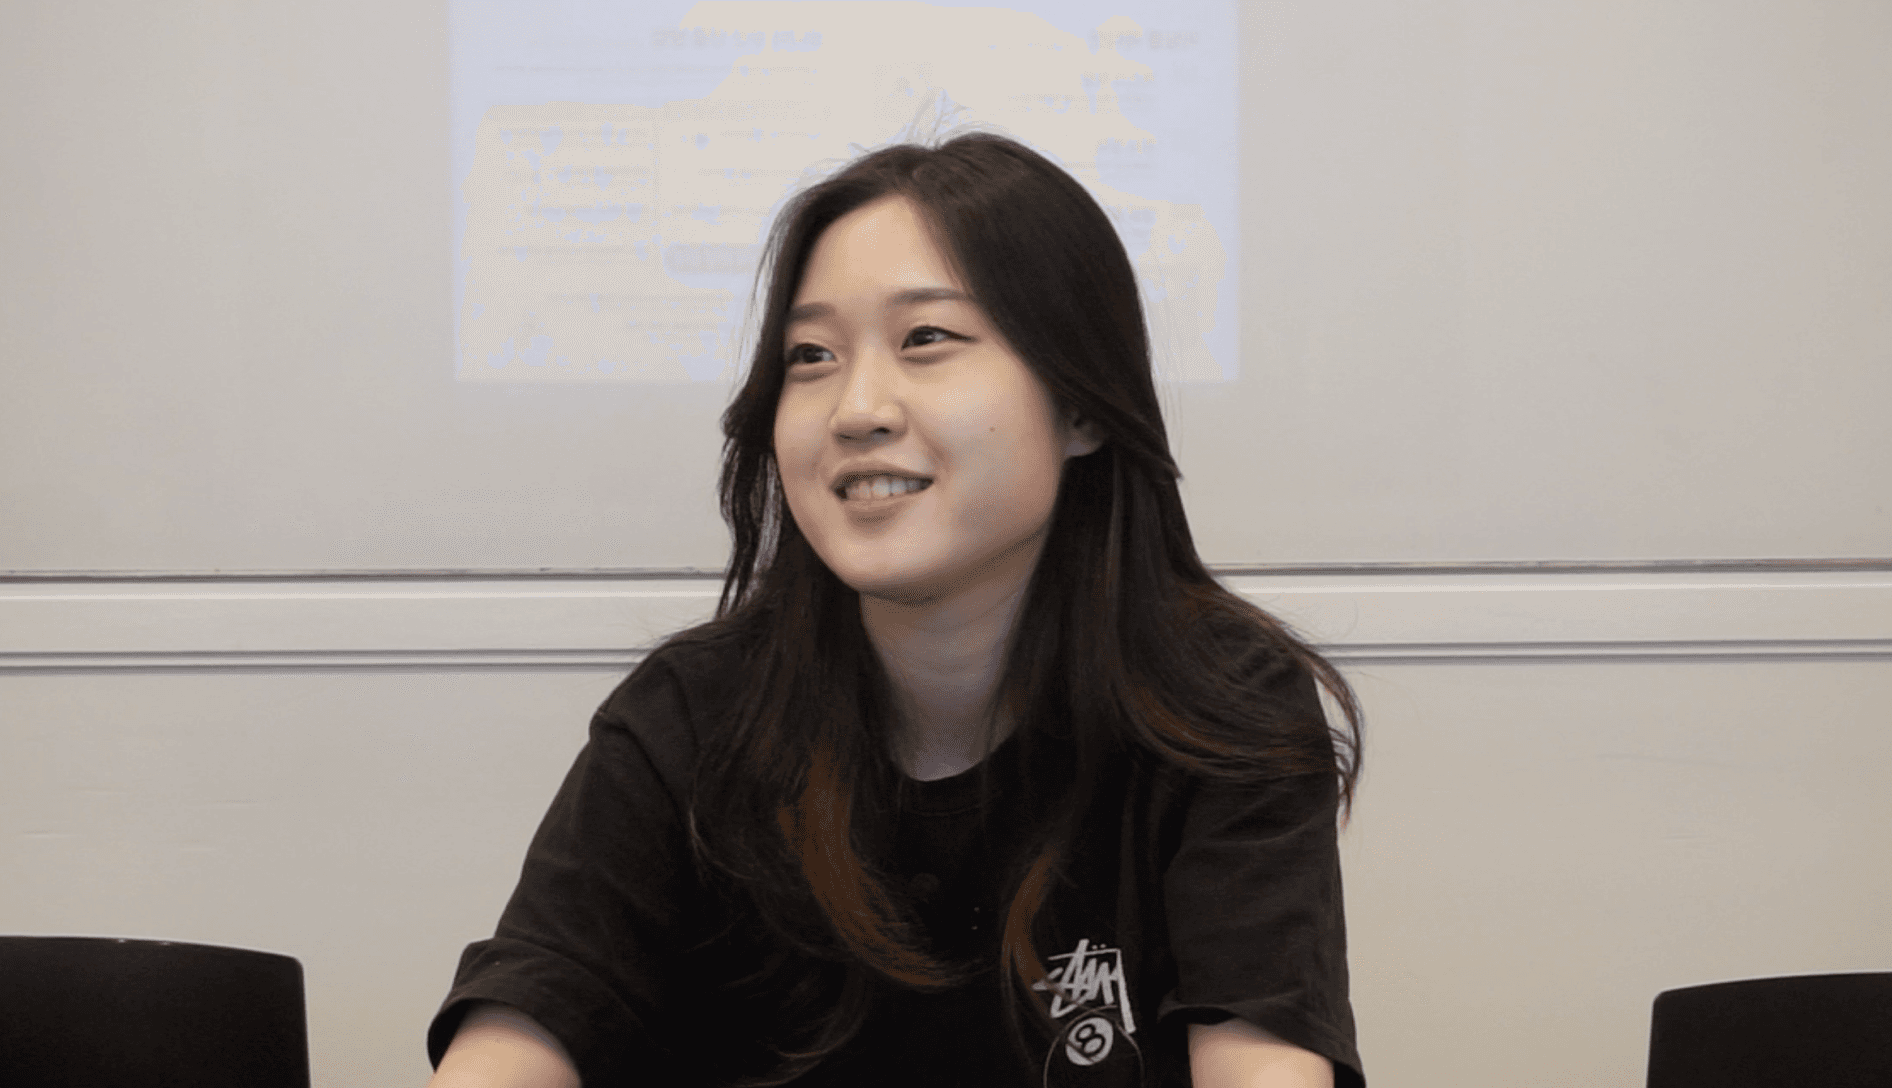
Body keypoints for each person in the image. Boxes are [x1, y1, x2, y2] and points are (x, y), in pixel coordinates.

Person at [425, 132, 1365, 1088]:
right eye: (811, 355)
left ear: (1081, 405)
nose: (856, 408)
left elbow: (1263, 1064)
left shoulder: (1217, 709)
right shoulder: (691, 715)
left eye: (926, 340)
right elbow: (521, 1030)